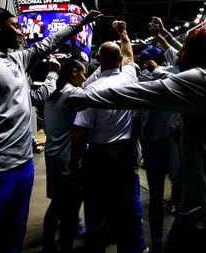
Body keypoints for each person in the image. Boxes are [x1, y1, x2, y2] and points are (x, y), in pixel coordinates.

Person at [65, 26, 206, 253]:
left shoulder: (201, 79)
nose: (178, 54)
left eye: (184, 49)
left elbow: (138, 94)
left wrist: (83, 97)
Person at [0, 6, 102, 253]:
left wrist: (82, 22)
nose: (21, 32)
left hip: (24, 168)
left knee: (14, 235)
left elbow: (51, 42)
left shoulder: (17, 59)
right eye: (15, 26)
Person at [68, 20, 146, 253]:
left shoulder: (90, 90)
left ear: (98, 60)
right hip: (124, 154)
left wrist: (74, 166)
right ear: (119, 61)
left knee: (96, 215)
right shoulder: (129, 78)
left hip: (98, 156)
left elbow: (81, 132)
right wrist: (123, 33)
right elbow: (130, 54)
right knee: (125, 214)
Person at [41, 57, 88, 253]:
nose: (85, 78)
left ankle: (47, 247)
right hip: (68, 162)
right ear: (74, 73)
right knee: (70, 211)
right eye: (83, 73)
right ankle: (65, 248)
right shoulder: (75, 93)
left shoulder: (53, 94)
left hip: (53, 158)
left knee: (56, 206)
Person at [137, 57, 180, 253]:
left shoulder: (139, 83)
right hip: (175, 143)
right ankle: (178, 240)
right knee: (183, 194)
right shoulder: (173, 77)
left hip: (151, 146)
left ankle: (157, 243)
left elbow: (135, 119)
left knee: (155, 197)